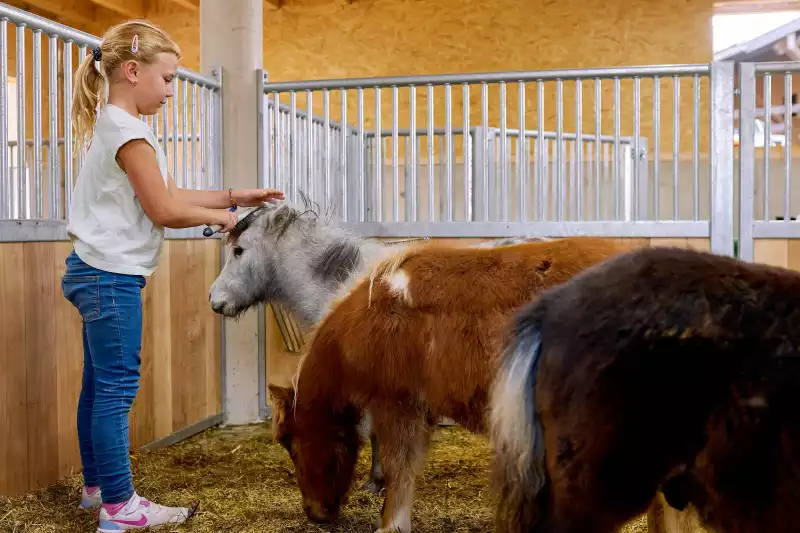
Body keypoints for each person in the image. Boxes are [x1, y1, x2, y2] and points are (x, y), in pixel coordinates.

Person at [61, 19, 284, 533]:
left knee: (98, 386)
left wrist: (234, 197)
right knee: (116, 390)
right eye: (167, 79)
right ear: (133, 71)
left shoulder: (118, 126)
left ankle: (98, 490)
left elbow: (169, 192)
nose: (170, 90)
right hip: (110, 277)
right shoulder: (128, 130)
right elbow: (163, 207)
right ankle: (120, 509)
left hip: (94, 270)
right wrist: (223, 220)